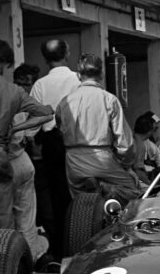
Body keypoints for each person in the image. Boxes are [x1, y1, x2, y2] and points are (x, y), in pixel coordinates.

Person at [0, 39, 53, 250]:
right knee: (4, 217)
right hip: (2, 154)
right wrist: (17, 128)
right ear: (7, 64)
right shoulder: (14, 90)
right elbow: (46, 113)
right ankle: (7, 268)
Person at [55, 53, 140, 203]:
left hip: (74, 161)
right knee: (134, 192)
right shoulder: (109, 100)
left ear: (78, 75)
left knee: (79, 202)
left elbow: (60, 131)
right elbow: (125, 144)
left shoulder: (64, 102)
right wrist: (127, 165)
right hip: (102, 160)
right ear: (101, 74)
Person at [30, 39, 81, 259]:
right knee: (81, 196)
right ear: (67, 53)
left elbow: (32, 123)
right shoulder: (79, 80)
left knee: (57, 199)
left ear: (44, 58)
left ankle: (62, 252)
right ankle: (82, 244)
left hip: (51, 144)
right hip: (78, 143)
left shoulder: (40, 85)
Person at [10, 64, 50, 262]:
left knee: (6, 219)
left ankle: (11, 263)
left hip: (1, 160)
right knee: (26, 220)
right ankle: (29, 262)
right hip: (20, 160)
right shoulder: (25, 98)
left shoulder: (6, 95)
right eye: (22, 83)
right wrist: (26, 133)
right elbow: (45, 114)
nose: (25, 86)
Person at [133, 113, 160, 183]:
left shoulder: (134, 138)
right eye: (154, 128)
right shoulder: (140, 144)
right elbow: (138, 172)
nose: (155, 130)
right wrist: (150, 185)